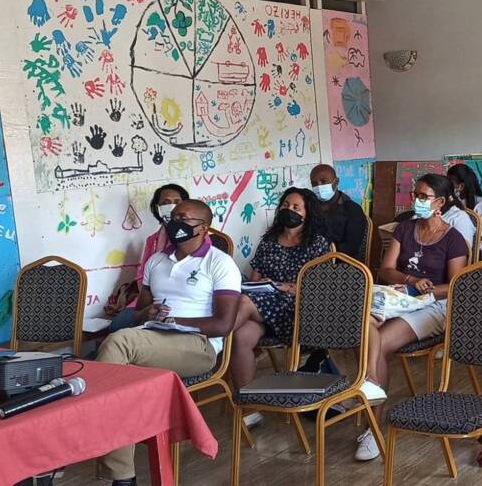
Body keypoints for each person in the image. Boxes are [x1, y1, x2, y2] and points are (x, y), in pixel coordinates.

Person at [95, 200, 241, 486]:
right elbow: (140, 313)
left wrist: (178, 323)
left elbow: (224, 324)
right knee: (120, 383)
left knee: (118, 345)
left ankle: (97, 446)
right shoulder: (156, 262)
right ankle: (121, 476)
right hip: (154, 337)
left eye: (183, 218)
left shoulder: (220, 264)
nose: (175, 222)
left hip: (199, 346)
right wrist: (146, 313)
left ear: (203, 227)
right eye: (172, 217)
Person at [356, 173, 470, 461]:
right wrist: (409, 279)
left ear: (440, 202)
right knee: (366, 323)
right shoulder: (405, 229)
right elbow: (385, 269)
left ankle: (372, 419)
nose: (416, 201)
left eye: (423, 196)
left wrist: (426, 289)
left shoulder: (454, 240)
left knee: (378, 342)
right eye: (414, 195)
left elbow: (456, 286)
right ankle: (370, 392)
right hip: (401, 296)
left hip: (434, 304)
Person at [229, 188, 331, 389]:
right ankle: (247, 404)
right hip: (263, 309)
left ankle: (212, 341)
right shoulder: (269, 240)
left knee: (242, 302)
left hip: (295, 310)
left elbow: (321, 289)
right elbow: (254, 280)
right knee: (241, 337)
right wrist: (261, 287)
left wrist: (286, 287)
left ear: (307, 213)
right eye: (285, 205)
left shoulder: (317, 244)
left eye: (296, 207)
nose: (289, 209)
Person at [102, 183, 190, 332]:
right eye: (165, 203)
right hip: (149, 299)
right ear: (157, 209)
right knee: (117, 324)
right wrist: (148, 305)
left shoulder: (196, 237)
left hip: (181, 301)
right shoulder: (153, 240)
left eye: (177, 201)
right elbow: (142, 276)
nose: (172, 206)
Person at [310, 164, 368, 260]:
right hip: (309, 262)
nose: (319, 186)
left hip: (342, 265)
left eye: (323, 181)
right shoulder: (310, 207)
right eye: (314, 184)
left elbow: (351, 247)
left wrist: (320, 254)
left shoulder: (352, 210)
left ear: (336, 182)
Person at [447, 163, 482, 256]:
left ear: (461, 186)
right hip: (450, 248)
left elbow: (479, 238)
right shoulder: (449, 202)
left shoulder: (481, 204)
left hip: (473, 252)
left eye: (450, 183)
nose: (447, 187)